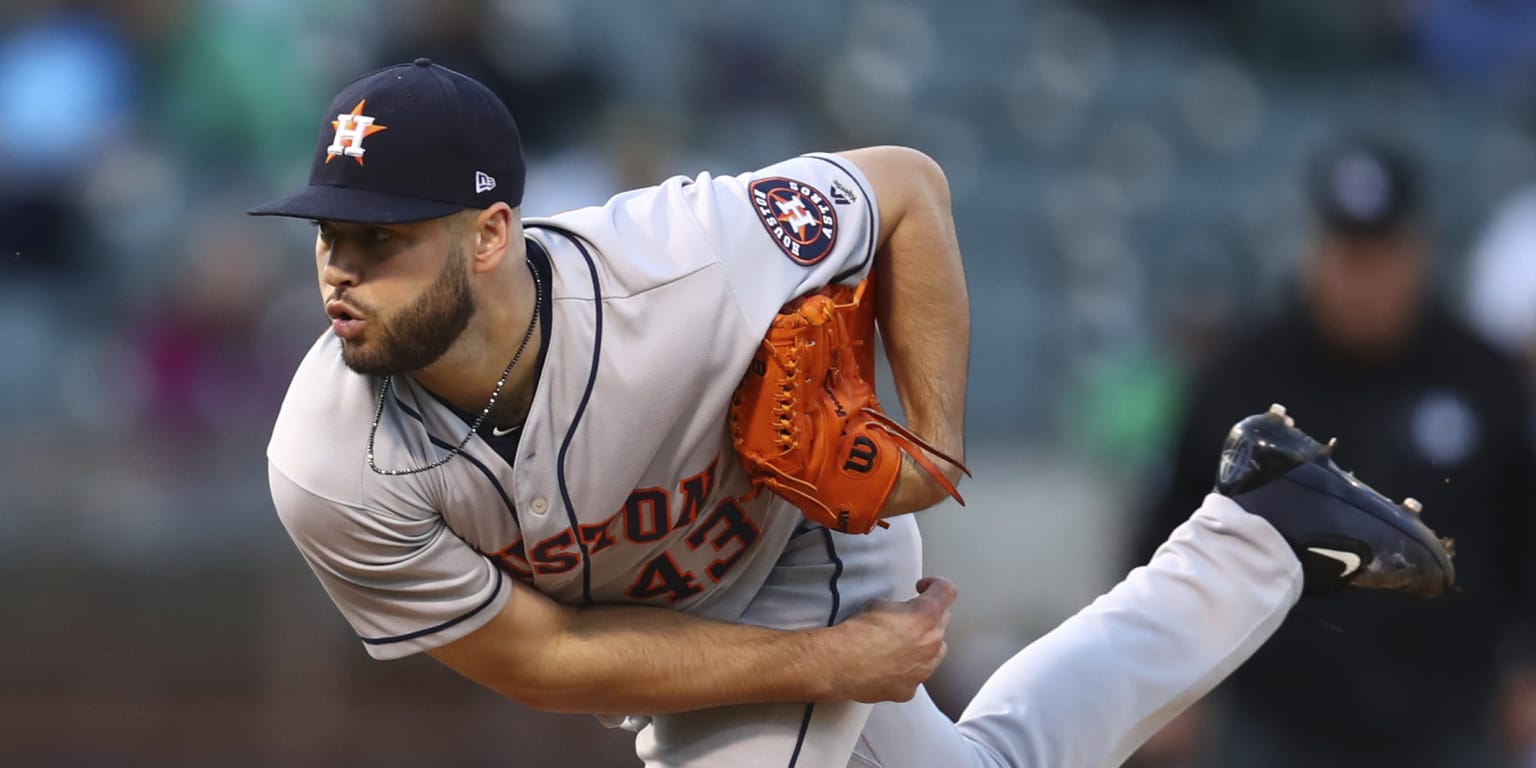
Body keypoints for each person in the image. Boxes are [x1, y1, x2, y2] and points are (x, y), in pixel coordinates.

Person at [252, 61, 1455, 768]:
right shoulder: (330, 462)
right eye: (329, 237)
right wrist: (838, 668)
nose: (340, 271)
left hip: (799, 537)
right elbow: (540, 656)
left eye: (382, 241)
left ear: (491, 235)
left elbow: (906, 188)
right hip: (670, 634)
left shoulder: (686, 264)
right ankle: (1259, 536)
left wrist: (930, 446)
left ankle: (1255, 542)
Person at [1129, 138, 1536, 768]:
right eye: (1347, 255)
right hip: (1273, 717)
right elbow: (1168, 532)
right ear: (1313, 251)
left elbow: (1524, 531)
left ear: (1418, 252)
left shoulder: (1480, 378)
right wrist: (1158, 678)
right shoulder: (1244, 377)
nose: (1361, 280)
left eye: (1380, 256)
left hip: (1450, 717)